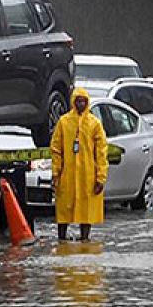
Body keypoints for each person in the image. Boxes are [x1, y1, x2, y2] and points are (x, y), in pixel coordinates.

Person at [49, 87, 107, 242]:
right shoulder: (64, 122)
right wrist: (56, 173)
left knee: (86, 210)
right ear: (73, 102)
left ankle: (84, 238)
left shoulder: (94, 124)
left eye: (84, 101)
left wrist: (100, 178)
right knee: (64, 208)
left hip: (87, 175)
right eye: (78, 101)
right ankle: (61, 238)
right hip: (67, 174)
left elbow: (101, 152)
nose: (81, 104)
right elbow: (56, 149)